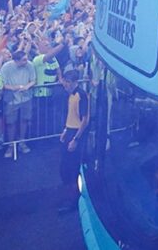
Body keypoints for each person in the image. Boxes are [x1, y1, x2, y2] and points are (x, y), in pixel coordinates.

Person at [58, 70, 89, 213]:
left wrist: (76, 139)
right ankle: (70, 196)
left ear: (75, 82)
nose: (65, 84)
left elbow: (84, 120)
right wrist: (66, 129)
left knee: (72, 168)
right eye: (65, 81)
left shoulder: (81, 95)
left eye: (68, 82)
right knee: (65, 168)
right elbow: (71, 115)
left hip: (76, 134)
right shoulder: (70, 95)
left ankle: (74, 200)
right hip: (70, 131)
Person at [0, 50, 36, 158]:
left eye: (26, 59)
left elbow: (33, 80)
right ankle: (11, 145)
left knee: (24, 120)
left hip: (26, 98)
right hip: (11, 99)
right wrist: (14, 88)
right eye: (24, 60)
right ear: (16, 60)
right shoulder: (6, 67)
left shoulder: (30, 65)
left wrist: (27, 86)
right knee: (11, 123)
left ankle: (22, 142)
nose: (26, 61)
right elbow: (2, 84)